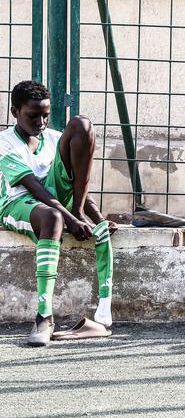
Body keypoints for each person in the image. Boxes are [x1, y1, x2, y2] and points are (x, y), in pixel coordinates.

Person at [0, 81, 116, 346]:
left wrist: (96, 218)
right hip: (18, 203)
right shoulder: (4, 143)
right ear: (14, 111)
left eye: (45, 115)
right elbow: (35, 188)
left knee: (81, 125)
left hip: (59, 205)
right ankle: (44, 317)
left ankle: (69, 214)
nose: (40, 121)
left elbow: (75, 182)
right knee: (53, 217)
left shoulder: (53, 139)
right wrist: (71, 218)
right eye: (33, 115)